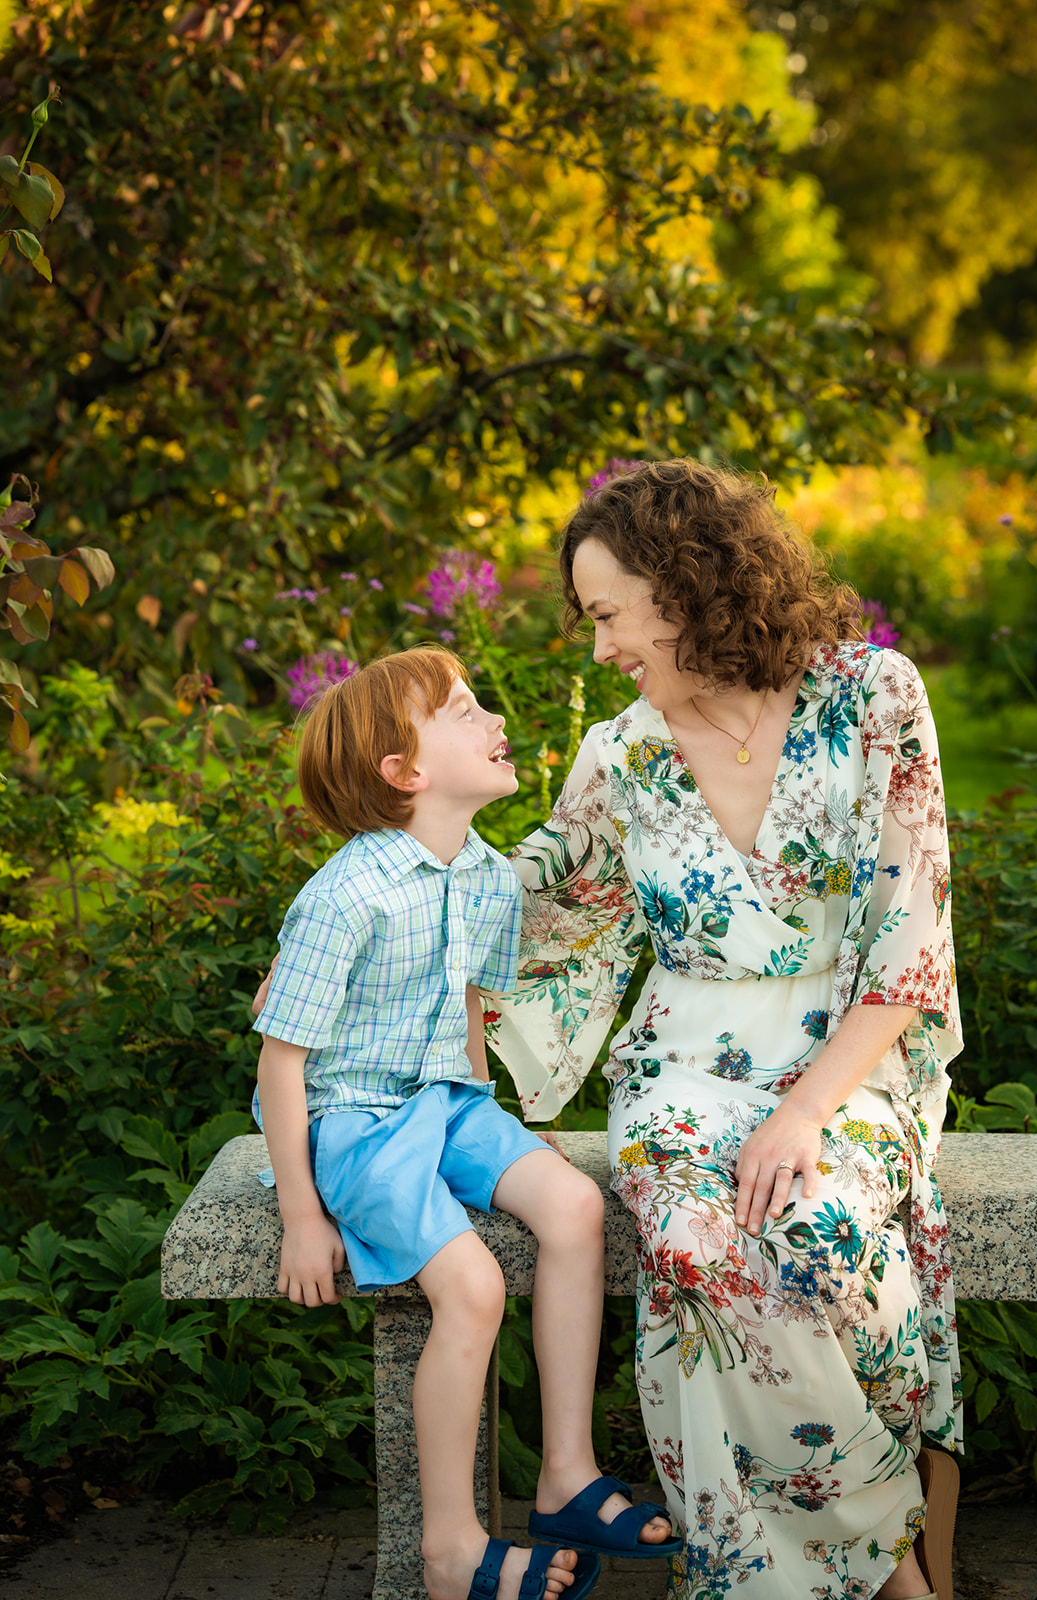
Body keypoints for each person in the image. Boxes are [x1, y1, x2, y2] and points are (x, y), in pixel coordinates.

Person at [485, 461, 963, 1600]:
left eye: (607, 614)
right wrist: (368, 932)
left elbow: (910, 948)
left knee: (816, 1246)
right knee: (699, 1248)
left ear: (685, 584)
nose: (597, 647)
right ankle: (896, 1580)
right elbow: (524, 907)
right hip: (680, 1069)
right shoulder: (620, 755)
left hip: (851, 1061)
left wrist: (803, 1111)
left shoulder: (872, 697)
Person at [251, 645, 677, 1600]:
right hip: (354, 1120)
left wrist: (498, 1133)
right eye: (465, 711)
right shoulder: (344, 896)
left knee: (571, 1205)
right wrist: (301, 1215)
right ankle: (449, 1546)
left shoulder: (485, 877)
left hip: (447, 1103)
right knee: (474, 1286)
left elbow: (470, 1019)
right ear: (405, 774)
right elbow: (283, 1062)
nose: (495, 723)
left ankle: (565, 1474)